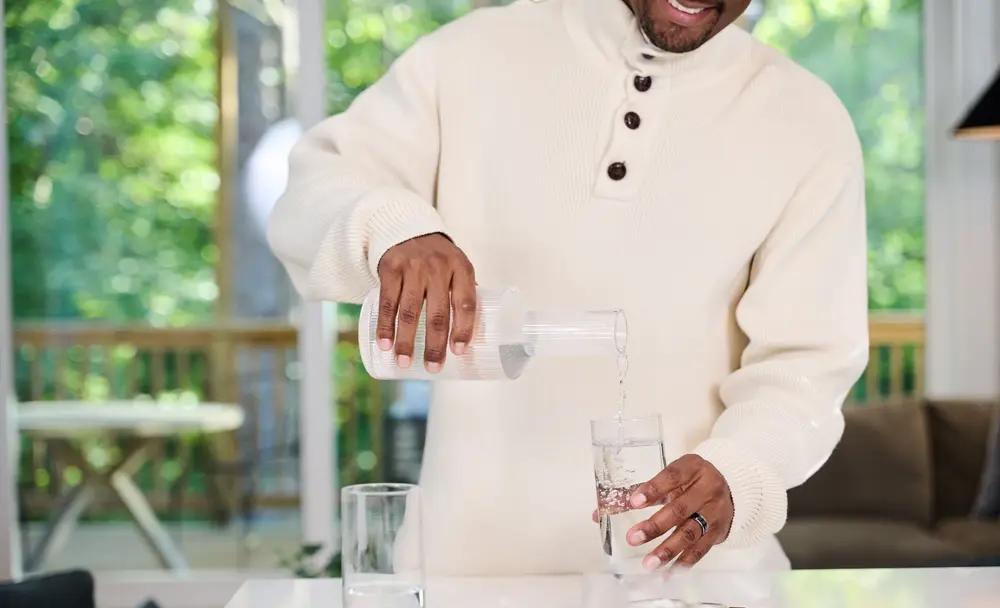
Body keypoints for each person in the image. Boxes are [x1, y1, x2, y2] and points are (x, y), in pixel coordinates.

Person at [268, 0, 869, 574]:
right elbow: (310, 192)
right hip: (469, 588)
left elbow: (807, 364)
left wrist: (742, 467)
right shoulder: (469, 57)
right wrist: (393, 228)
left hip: (697, 591)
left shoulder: (806, 119)